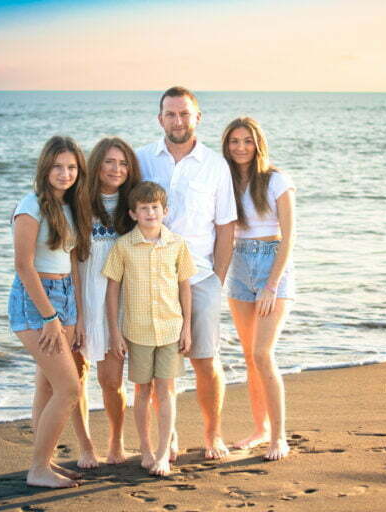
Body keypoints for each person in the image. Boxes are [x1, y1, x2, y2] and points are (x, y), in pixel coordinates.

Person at [136, 86, 237, 459]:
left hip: (200, 279)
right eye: (171, 114)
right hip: (150, 284)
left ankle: (213, 435)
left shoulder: (215, 165)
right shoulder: (141, 158)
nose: (178, 121)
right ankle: (168, 437)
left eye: (185, 114)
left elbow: (226, 225)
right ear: (160, 118)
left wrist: (218, 278)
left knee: (206, 361)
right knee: (155, 369)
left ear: (198, 117)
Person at [7, 135, 91, 487]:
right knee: (70, 389)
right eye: (58, 166)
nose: (65, 173)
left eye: (71, 167)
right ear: (45, 168)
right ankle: (38, 469)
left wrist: (79, 315)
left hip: (66, 297)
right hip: (36, 302)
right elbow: (24, 266)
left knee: (47, 385)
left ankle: (45, 462)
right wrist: (49, 317)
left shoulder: (69, 206)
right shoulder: (31, 205)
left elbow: (72, 260)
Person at [102, 181, 196, 476]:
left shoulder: (177, 244)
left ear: (165, 211)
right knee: (142, 391)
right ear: (133, 213)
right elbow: (112, 291)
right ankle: (145, 448)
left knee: (167, 391)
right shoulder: (123, 246)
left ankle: (162, 453)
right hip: (137, 331)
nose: (150, 213)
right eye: (144, 209)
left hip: (171, 329)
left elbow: (185, 287)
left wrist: (187, 328)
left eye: (155, 208)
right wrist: (115, 333)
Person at [222, 117, 296, 461]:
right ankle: (259, 429)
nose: (240, 147)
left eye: (246, 141)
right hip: (238, 266)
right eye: (234, 141)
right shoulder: (225, 181)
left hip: (271, 267)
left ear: (257, 144)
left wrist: (271, 285)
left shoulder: (276, 180)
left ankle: (279, 437)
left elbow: (289, 236)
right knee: (250, 357)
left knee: (264, 354)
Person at [75, 137, 141, 466]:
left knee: (111, 380)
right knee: (75, 377)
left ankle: (116, 442)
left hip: (119, 302)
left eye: (124, 163)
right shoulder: (79, 203)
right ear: (97, 164)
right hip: (82, 296)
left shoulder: (134, 206)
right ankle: (86, 445)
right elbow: (70, 259)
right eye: (110, 162)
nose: (117, 169)